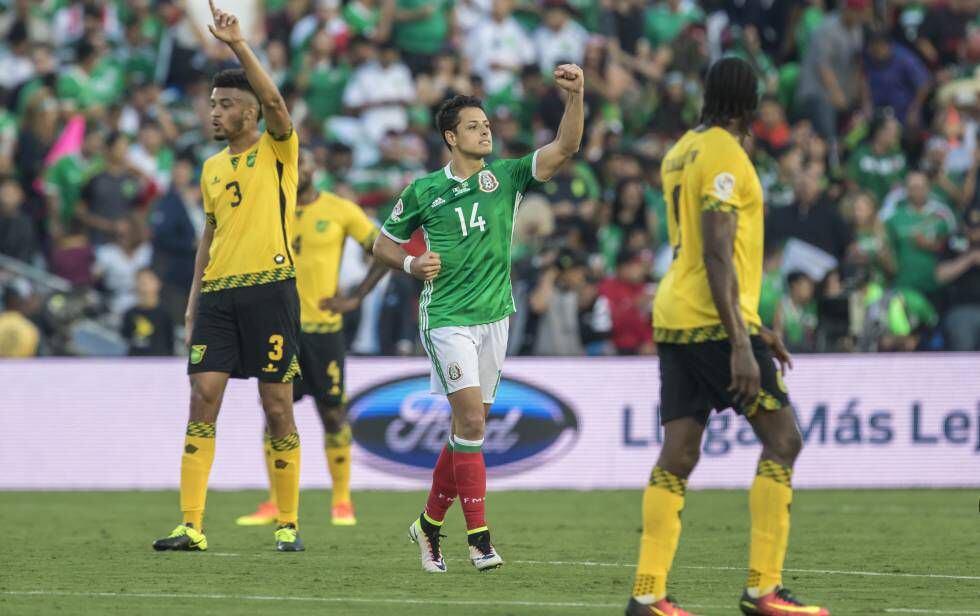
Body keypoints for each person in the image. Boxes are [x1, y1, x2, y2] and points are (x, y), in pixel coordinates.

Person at [625, 58, 829, 616]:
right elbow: (715, 251)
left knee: (680, 451)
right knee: (783, 439)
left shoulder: (680, 150)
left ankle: (648, 595)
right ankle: (764, 589)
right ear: (751, 103)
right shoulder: (724, 154)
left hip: (675, 314)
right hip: (712, 321)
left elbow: (696, 251)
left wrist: (757, 323)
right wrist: (741, 342)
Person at [371, 65, 585, 573]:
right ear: (450, 137)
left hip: (496, 316)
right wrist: (410, 263)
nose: (485, 130)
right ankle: (479, 540)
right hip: (446, 315)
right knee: (470, 421)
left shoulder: (506, 176)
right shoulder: (423, 190)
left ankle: (427, 526)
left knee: (469, 429)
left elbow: (565, 147)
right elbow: (382, 242)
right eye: (473, 125)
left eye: (486, 123)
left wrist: (576, 97)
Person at [152, 1, 304, 554]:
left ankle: (287, 522)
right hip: (218, 295)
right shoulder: (211, 168)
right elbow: (208, 238)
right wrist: (194, 301)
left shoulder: (279, 148)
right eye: (212, 104)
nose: (214, 113)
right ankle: (191, 525)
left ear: (251, 113)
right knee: (203, 396)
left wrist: (238, 45)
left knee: (277, 404)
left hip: (270, 289)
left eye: (226, 105)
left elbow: (277, 101)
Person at [236, 148, 387, 528]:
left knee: (332, 412)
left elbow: (384, 250)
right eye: (288, 165)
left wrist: (356, 296)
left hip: (323, 331)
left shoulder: (340, 209)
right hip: (278, 329)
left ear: (313, 167)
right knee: (274, 414)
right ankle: (274, 501)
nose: (296, 170)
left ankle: (341, 500)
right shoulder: (269, 209)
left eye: (301, 163)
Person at [121, 268, 175, 356]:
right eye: (140, 281)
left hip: (160, 361)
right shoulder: (129, 314)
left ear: (158, 284)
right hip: (134, 361)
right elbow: (125, 340)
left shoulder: (165, 314)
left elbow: (170, 342)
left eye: (148, 281)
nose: (144, 285)